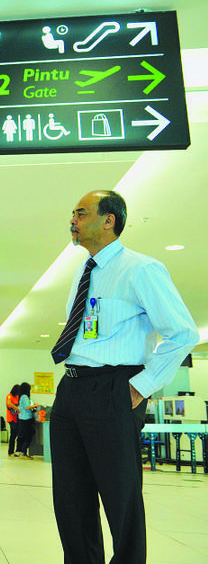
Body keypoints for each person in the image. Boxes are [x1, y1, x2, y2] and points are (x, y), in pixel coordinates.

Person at [50, 190, 198, 563]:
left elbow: (183, 333)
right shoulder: (84, 272)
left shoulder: (141, 269)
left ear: (109, 220)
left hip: (114, 388)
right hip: (71, 389)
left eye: (80, 213)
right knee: (71, 498)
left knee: (121, 498)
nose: (72, 220)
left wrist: (141, 387)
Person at [14, 382, 37, 459]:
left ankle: (18, 451)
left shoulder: (21, 396)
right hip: (26, 419)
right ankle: (23, 451)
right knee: (29, 434)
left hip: (22, 418)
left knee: (22, 435)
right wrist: (35, 406)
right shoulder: (25, 397)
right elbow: (27, 407)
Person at [6, 384, 20, 457]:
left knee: (14, 435)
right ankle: (12, 451)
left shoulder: (17, 397)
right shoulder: (9, 396)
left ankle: (12, 451)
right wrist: (17, 408)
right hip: (11, 418)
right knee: (15, 434)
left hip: (16, 418)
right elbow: (9, 403)